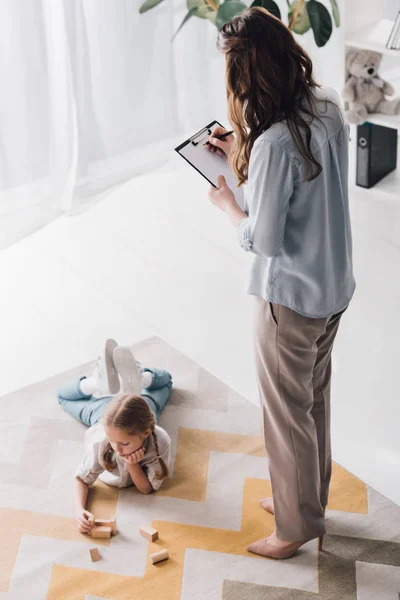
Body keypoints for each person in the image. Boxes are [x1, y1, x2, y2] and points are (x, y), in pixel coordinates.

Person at [207, 7, 356, 559]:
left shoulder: (273, 144)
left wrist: (228, 205)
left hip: (287, 300)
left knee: (285, 410)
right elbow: (300, 202)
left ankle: (293, 529)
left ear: (247, 72)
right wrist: (241, 157)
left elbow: (264, 238)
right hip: (333, 285)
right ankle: (305, 498)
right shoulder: (326, 107)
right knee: (313, 399)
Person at [56, 339, 173, 534]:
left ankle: (140, 379)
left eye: (124, 443)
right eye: (114, 442)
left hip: (141, 408)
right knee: (62, 395)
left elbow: (147, 489)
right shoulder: (102, 439)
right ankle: (97, 383)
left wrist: (132, 464)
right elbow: (82, 478)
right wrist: (79, 510)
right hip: (103, 413)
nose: (117, 449)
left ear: (145, 432)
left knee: (166, 381)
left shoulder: (159, 440)